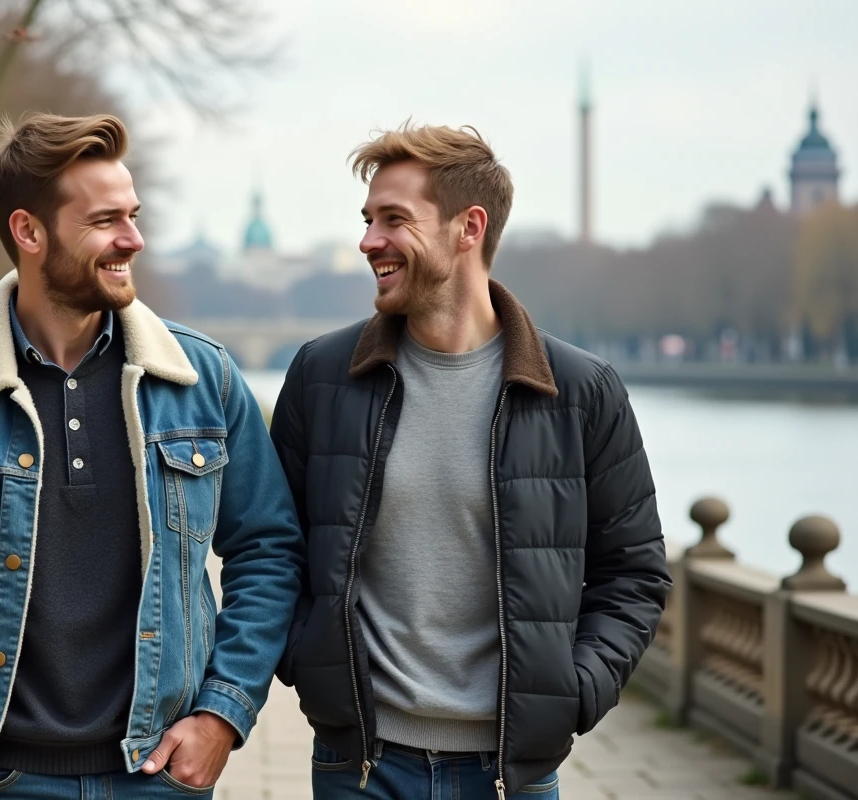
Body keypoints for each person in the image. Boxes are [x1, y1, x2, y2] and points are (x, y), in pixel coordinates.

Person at [0, 113, 304, 800]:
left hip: (161, 776)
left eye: (134, 216)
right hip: (3, 779)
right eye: (106, 220)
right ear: (29, 232)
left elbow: (268, 550)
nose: (134, 239)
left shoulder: (205, 380)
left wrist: (221, 714)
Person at [269, 123, 672, 800]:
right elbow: (272, 544)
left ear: (468, 227)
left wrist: (571, 695)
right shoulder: (322, 375)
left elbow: (632, 572)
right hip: (359, 766)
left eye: (394, 220)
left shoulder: (580, 390)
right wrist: (309, 663)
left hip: (509, 774)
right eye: (367, 220)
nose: (369, 241)